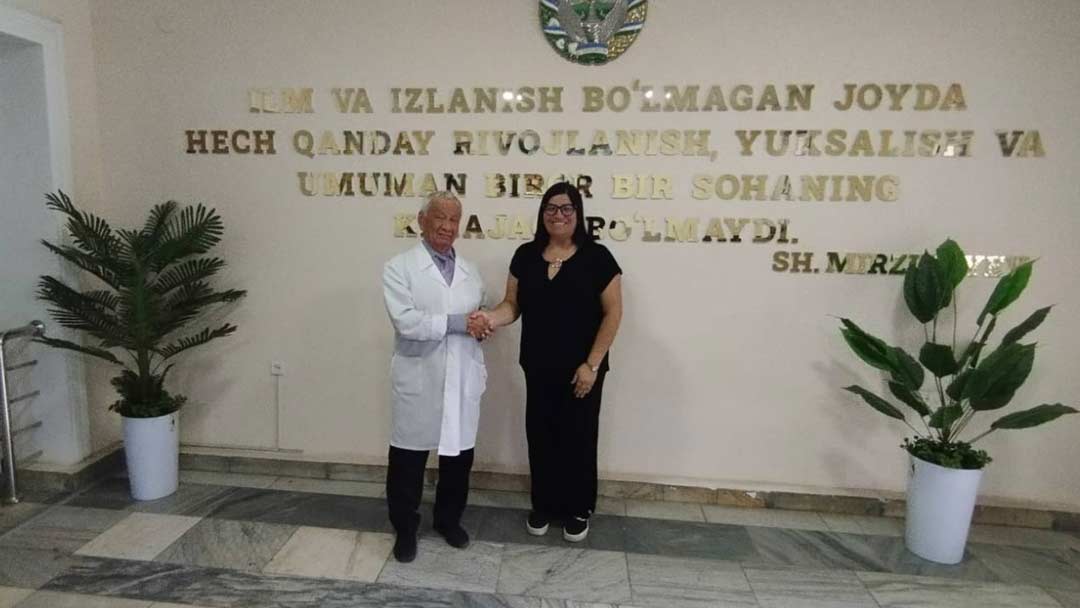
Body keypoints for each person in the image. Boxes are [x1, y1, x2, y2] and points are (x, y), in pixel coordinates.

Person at [471, 181, 623, 542]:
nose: (559, 215)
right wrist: (490, 318)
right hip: (538, 366)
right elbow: (512, 305)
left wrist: (592, 364)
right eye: (551, 208)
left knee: (578, 436)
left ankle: (578, 508)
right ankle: (544, 504)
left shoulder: (598, 257)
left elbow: (613, 312)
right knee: (541, 435)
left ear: (578, 213)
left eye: (567, 208)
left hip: (583, 370)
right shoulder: (526, 255)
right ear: (542, 214)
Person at [382, 191, 492, 562]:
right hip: (419, 374)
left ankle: (448, 520)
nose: (447, 226)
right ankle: (405, 528)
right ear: (422, 220)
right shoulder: (399, 267)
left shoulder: (471, 271)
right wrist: (460, 323)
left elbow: (479, 310)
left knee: (458, 456)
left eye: (454, 219)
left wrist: (482, 324)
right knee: (408, 458)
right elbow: (407, 322)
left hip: (462, 375)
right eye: (440, 217)